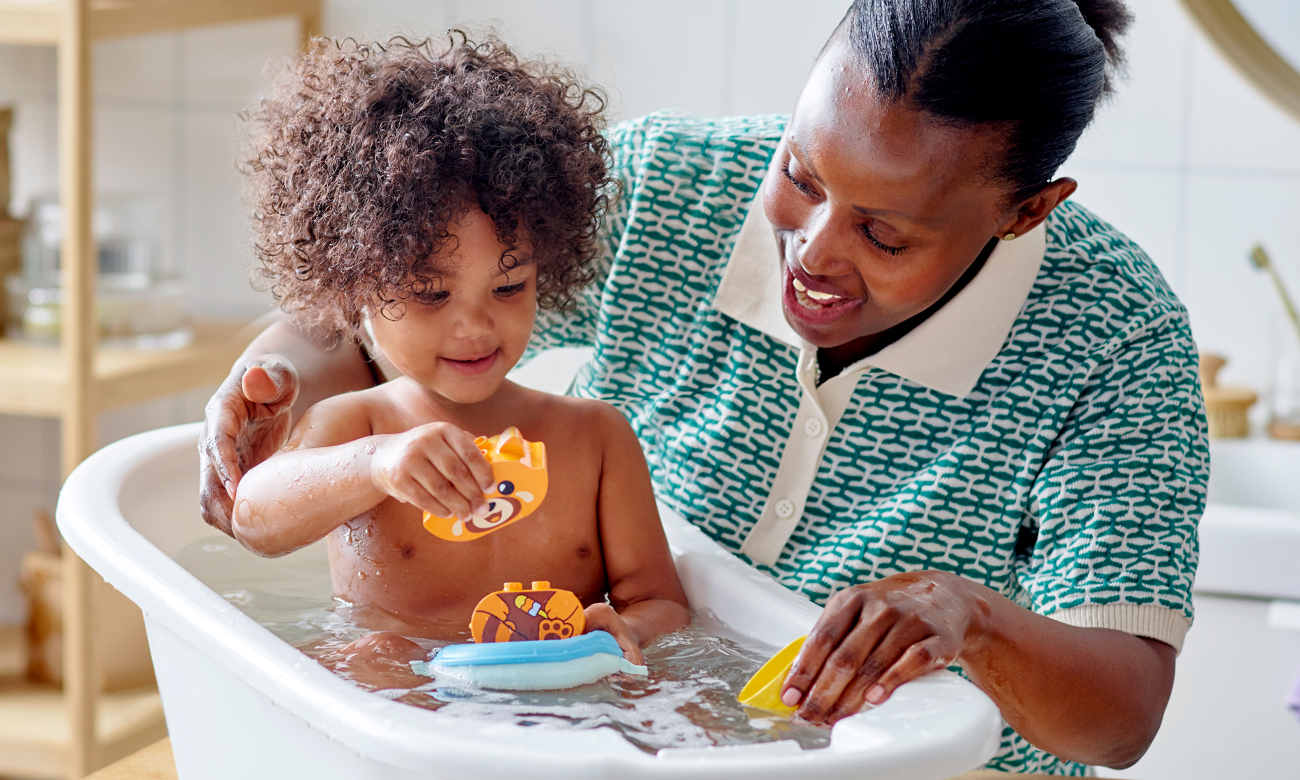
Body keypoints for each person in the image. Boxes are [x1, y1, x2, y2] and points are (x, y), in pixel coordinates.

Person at [201, 0, 1205, 773]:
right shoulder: (672, 191)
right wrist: (276, 375)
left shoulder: (1115, 339)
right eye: (801, 173)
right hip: (619, 747)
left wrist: (973, 619)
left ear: (1025, 212)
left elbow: (1119, 718)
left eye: (886, 233)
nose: (810, 252)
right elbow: (384, 319)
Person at [229, 35, 690, 669]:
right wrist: (374, 465)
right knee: (372, 654)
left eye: (509, 286)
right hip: (405, 707)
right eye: (429, 293)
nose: (475, 326)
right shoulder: (357, 427)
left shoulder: (598, 438)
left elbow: (665, 605)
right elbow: (253, 516)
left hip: (558, 702)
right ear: (355, 288)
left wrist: (620, 632)